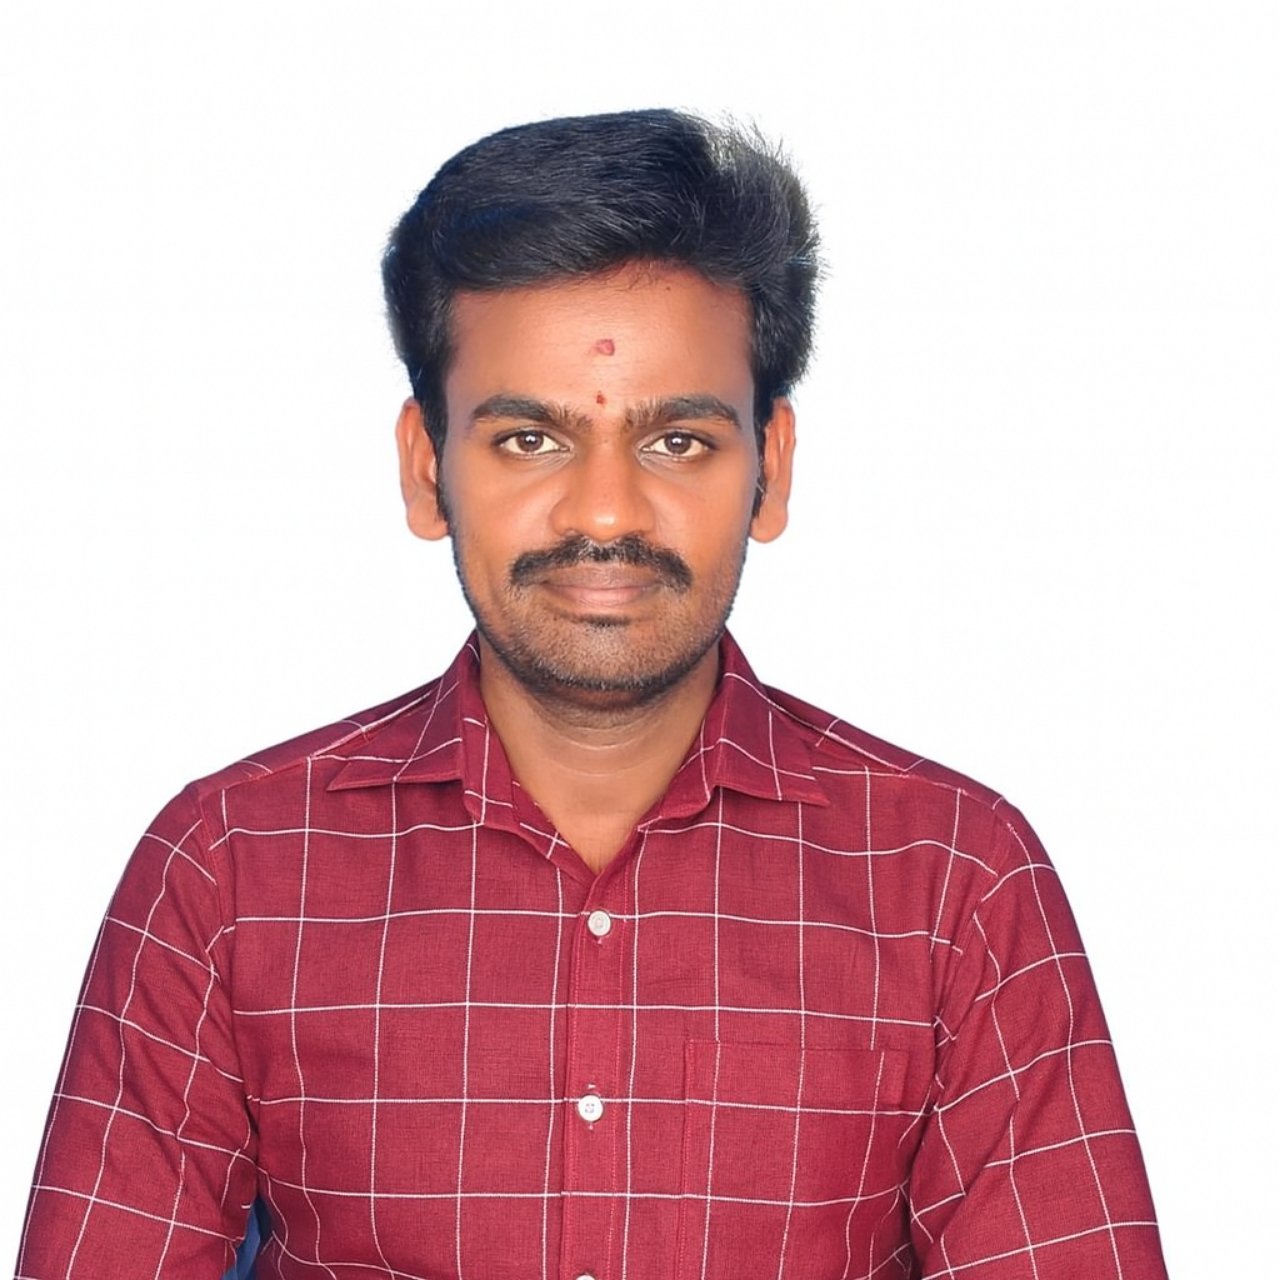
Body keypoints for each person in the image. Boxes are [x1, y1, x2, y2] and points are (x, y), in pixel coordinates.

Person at [15, 109, 1167, 1280]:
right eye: (528, 439)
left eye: (677, 441)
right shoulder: (231, 865)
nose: (605, 512)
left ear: (769, 470)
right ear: (426, 467)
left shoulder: (950, 875)